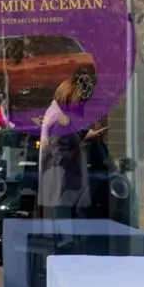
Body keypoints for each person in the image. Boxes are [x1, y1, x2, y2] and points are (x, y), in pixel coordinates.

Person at [37, 69, 96, 219]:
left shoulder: (57, 116)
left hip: (60, 188)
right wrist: (84, 141)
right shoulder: (59, 120)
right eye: (80, 101)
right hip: (63, 189)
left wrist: (83, 134)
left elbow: (67, 137)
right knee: (65, 228)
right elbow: (60, 156)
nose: (82, 106)